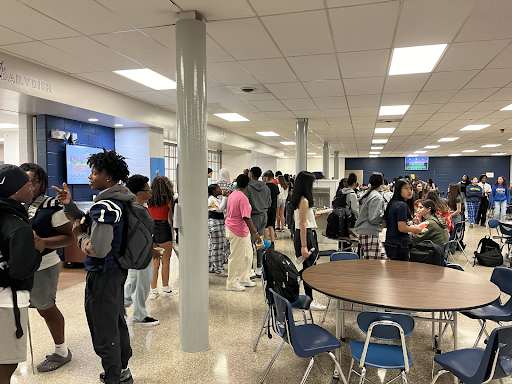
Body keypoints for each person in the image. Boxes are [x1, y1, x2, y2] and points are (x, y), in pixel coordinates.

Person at [53, 150, 134, 384]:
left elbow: (97, 248)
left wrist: (78, 236)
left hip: (103, 273)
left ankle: (113, 376)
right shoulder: (120, 198)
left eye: (95, 172)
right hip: (116, 271)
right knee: (116, 320)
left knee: (103, 326)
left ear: (108, 178)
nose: (90, 176)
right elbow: (89, 221)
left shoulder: (106, 206)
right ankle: (121, 370)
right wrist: (69, 205)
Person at [20, 163, 73, 372]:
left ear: (42, 183)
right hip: (19, 266)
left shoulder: (52, 205)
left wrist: (44, 242)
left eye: (35, 180)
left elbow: (68, 237)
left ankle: (61, 351)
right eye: (26, 181)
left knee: (45, 307)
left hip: (44, 265)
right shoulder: (14, 204)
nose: (30, 185)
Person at [0, 165, 43, 384]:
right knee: (6, 365)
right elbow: (20, 270)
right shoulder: (17, 225)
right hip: (8, 302)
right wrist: (37, 250)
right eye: (27, 183)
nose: (32, 187)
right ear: (14, 191)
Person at [124, 174, 159, 326]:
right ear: (139, 193)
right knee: (141, 283)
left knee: (134, 283)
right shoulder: (136, 211)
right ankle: (140, 316)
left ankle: (120, 305)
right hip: (139, 255)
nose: (150, 192)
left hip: (138, 254)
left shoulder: (135, 208)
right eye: (148, 189)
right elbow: (140, 237)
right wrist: (152, 250)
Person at [290, 171, 325, 311]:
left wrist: (312, 217)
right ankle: (309, 300)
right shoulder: (304, 200)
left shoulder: (298, 199)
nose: (313, 185)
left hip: (303, 234)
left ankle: (308, 298)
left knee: (308, 267)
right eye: (312, 182)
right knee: (308, 269)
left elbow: (297, 220)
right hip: (305, 236)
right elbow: (303, 224)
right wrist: (304, 246)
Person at [225, 174, 260, 292]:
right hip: (237, 230)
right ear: (247, 184)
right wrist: (255, 233)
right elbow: (246, 217)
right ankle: (231, 283)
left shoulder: (232, 195)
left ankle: (244, 278)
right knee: (236, 257)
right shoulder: (242, 198)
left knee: (247, 255)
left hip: (241, 230)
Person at [147, 176, 177, 299]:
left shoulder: (149, 199)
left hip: (151, 230)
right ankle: (165, 289)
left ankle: (153, 291)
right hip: (164, 229)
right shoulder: (167, 199)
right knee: (165, 262)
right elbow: (171, 217)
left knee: (154, 263)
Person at [384, 179, 423, 261]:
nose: (409, 191)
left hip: (390, 243)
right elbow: (402, 228)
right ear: (398, 189)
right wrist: (415, 229)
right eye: (406, 188)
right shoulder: (401, 205)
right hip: (399, 244)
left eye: (411, 188)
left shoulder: (393, 203)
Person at [354, 172, 387, 260]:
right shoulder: (377, 197)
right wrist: (384, 218)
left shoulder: (366, 194)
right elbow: (373, 218)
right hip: (369, 232)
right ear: (382, 183)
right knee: (373, 262)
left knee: (371, 260)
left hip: (364, 231)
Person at [246, 167, 271, 277]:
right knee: (259, 240)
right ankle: (259, 267)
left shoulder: (248, 187)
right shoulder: (266, 188)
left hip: (252, 217)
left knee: (250, 242)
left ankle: (250, 268)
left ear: (251, 174)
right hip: (263, 216)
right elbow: (270, 203)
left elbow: (245, 204)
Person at [208, 184, 229, 276]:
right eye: (218, 188)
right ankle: (218, 268)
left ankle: (211, 266)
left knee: (213, 245)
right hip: (215, 224)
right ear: (213, 191)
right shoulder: (210, 199)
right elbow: (219, 209)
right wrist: (224, 197)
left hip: (219, 223)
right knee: (217, 246)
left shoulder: (216, 198)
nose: (220, 190)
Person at [262, 170, 279, 245]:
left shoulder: (264, 187)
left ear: (266, 177)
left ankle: (266, 243)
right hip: (273, 208)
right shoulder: (275, 187)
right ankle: (272, 242)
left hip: (265, 208)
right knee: (271, 226)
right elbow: (277, 197)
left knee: (265, 226)